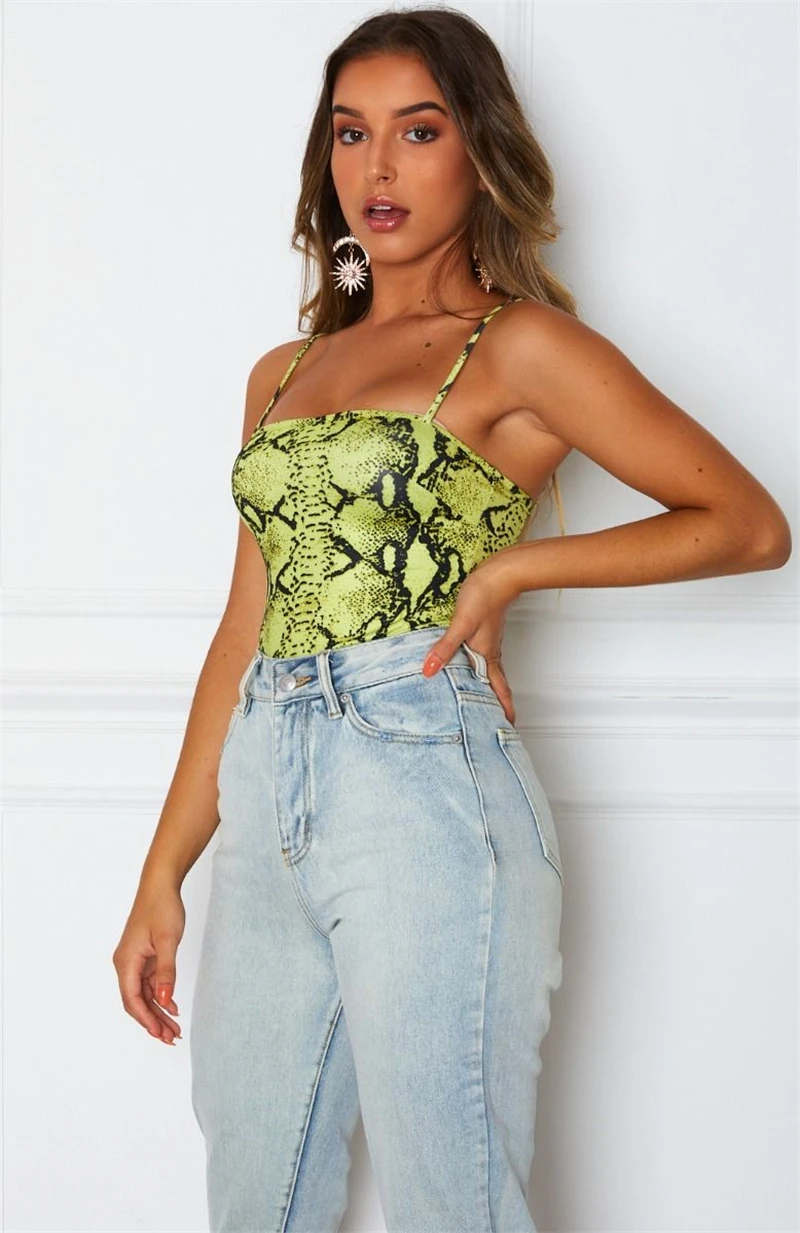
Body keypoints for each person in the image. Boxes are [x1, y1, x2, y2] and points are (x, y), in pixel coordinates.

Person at [112, 7, 792, 1232]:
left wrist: (510, 573)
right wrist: (164, 871)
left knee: (450, 1205)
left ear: (477, 152)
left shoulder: (517, 346)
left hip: (422, 783)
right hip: (266, 788)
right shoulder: (282, 373)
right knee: (252, 1197)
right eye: (349, 133)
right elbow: (243, 628)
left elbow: (744, 524)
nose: (376, 168)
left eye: (416, 132)